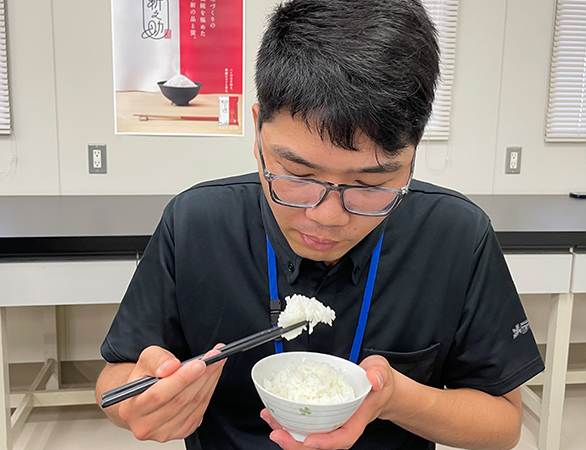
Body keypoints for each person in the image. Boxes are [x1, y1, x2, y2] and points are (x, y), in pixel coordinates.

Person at [96, 1, 544, 449]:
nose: (327, 217)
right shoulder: (196, 224)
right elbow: (114, 382)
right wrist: (139, 400)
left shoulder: (456, 236)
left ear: (413, 152)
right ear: (258, 132)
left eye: (370, 184)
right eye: (298, 176)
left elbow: (504, 424)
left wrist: (397, 398)